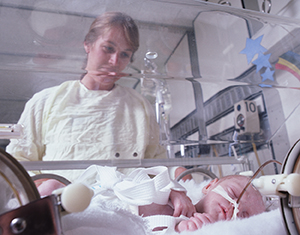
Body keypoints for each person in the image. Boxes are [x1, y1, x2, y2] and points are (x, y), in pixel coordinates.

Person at [6, 12, 166, 182]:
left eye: (125, 54)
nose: (114, 61)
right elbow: (18, 160)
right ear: (88, 45)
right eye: (108, 48)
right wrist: (49, 190)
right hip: (61, 205)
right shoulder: (46, 101)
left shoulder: (139, 106)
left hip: (124, 206)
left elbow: (157, 165)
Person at [139, 174, 266, 233]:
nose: (236, 207)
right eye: (233, 193)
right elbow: (135, 179)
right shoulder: (176, 197)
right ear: (209, 185)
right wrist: (173, 190)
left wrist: (180, 231)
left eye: (244, 215)